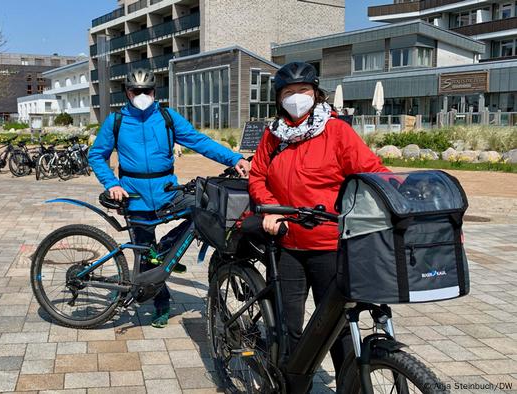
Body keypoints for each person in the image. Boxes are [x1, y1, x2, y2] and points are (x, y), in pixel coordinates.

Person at [248, 62, 388, 386]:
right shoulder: (272, 135)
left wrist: (399, 196)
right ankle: (295, 386)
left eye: (303, 91)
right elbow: (257, 176)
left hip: (330, 245)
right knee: (288, 327)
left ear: (315, 93)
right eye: (288, 92)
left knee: (338, 328)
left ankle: (348, 386)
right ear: (278, 98)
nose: (296, 98)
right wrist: (270, 210)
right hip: (286, 245)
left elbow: (371, 170)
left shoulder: (337, 131)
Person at [88, 68, 249, 328]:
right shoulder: (116, 121)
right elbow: (96, 155)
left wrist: (234, 158)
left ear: (154, 92)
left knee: (204, 207)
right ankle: (161, 304)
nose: (141, 95)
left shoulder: (166, 117)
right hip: (134, 195)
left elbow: (199, 141)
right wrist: (112, 184)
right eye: (135, 91)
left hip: (167, 193)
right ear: (128, 93)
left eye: (146, 91)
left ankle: (164, 247)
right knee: (145, 258)